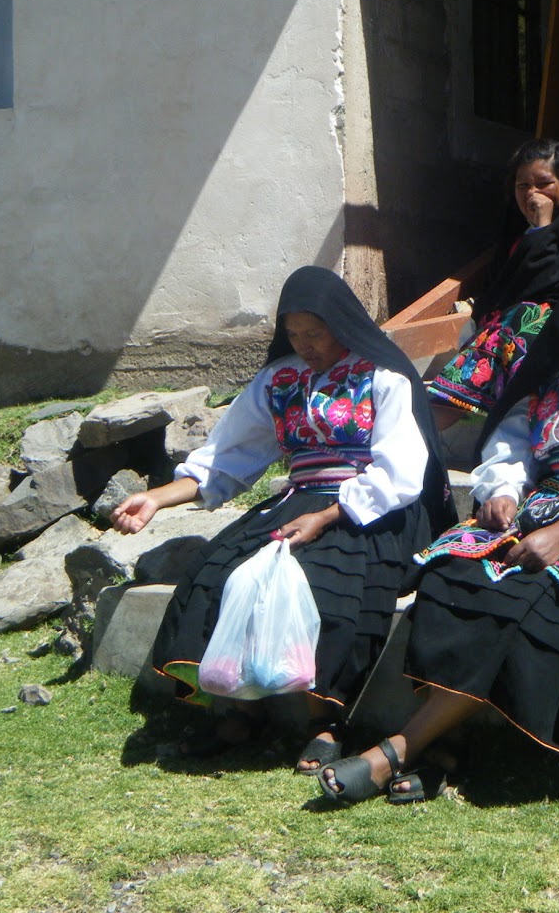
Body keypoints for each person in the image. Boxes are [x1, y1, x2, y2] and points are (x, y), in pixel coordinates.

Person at [318, 244, 559, 805]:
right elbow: (514, 430)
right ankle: (443, 747)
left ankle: (399, 748)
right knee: (450, 572)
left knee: (524, 595)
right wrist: (501, 484)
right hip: (538, 499)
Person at [111, 266, 452, 772]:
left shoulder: (384, 377)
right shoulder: (280, 379)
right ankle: (238, 708)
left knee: (319, 586)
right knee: (218, 574)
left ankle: (324, 721)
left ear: (343, 324)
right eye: (294, 334)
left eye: (315, 332)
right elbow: (230, 454)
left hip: (369, 509)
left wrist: (329, 515)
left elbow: (400, 472)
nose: (305, 344)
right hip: (298, 498)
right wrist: (158, 497)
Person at [427, 140, 559, 431]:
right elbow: (501, 287)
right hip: (508, 336)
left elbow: (555, 285)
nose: (533, 195)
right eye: (523, 186)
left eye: (544, 184)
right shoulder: (516, 231)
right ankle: (440, 415)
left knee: (524, 320)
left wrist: (543, 230)